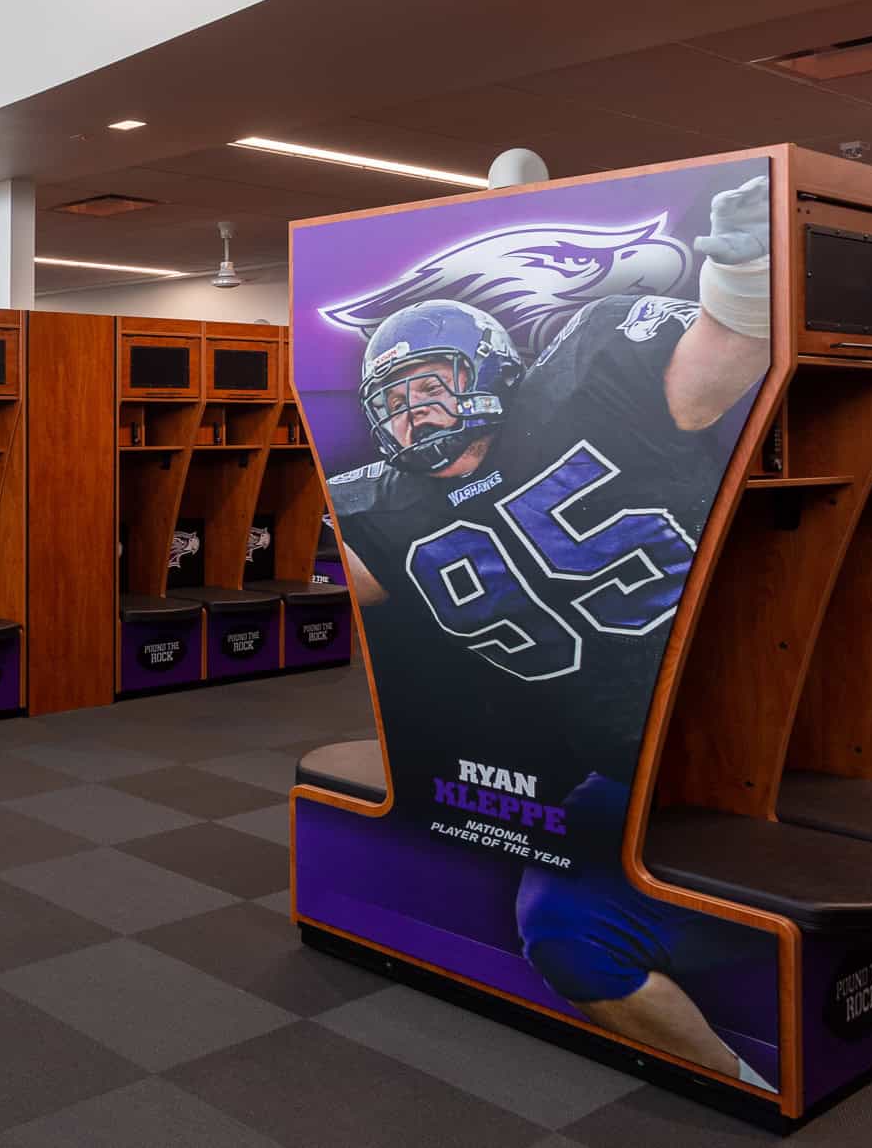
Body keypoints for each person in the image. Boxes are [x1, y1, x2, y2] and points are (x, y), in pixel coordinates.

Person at [330, 174, 772, 1088]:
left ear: (489, 368)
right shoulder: (386, 509)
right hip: (620, 759)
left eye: (430, 387)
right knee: (566, 938)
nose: (415, 414)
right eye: (395, 402)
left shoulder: (594, 381)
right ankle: (742, 1082)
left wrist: (747, 264)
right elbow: (339, 581)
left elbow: (728, 350)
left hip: (741, 716)